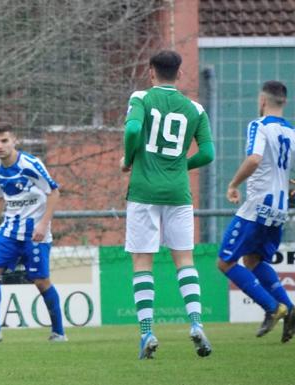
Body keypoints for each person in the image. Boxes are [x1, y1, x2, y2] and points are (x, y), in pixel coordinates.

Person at [121, 50, 215, 359]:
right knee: (184, 260)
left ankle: (147, 331)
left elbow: (133, 130)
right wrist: (180, 167)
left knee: (142, 262)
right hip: (178, 194)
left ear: (151, 72)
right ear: (179, 74)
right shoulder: (196, 109)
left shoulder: (141, 99)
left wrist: (128, 158)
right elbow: (208, 154)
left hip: (143, 192)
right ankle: (196, 323)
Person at [0, 122, 66, 344]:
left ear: (15, 141)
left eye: (4, 141)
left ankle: (59, 332)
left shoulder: (30, 164)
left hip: (35, 232)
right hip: (9, 231)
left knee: (41, 281)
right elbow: (0, 197)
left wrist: (43, 224)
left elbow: (53, 192)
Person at [217, 80, 295, 343]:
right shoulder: (291, 131)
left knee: (225, 261)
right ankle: (290, 308)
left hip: (258, 205)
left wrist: (233, 183)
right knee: (252, 260)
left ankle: (272, 307)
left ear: (263, 101)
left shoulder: (259, 125)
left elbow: (254, 159)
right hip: (280, 208)